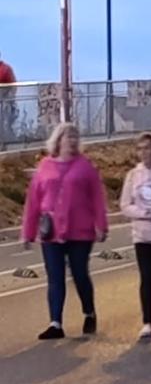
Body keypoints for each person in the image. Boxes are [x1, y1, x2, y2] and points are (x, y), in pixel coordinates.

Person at [21, 123, 108, 340]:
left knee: (79, 274)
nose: (72, 141)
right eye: (68, 137)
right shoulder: (45, 166)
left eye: (75, 137)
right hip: (51, 231)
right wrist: (28, 232)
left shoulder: (85, 166)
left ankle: (89, 312)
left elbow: (97, 198)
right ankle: (55, 323)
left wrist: (101, 225)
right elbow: (34, 200)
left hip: (80, 231)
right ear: (58, 140)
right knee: (55, 277)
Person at [120, 133, 151, 340]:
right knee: (146, 278)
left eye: (147, 148)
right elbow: (125, 206)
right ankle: (147, 322)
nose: (143, 152)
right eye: (140, 148)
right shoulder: (133, 175)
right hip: (143, 236)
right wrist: (144, 214)